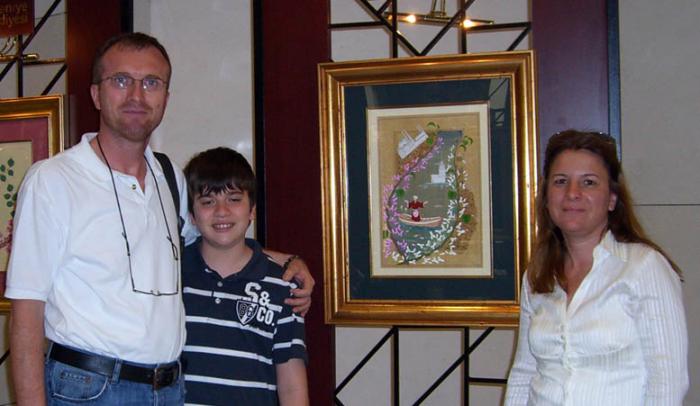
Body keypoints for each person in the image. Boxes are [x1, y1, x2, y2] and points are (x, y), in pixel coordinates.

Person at [5, 32, 313, 405]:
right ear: (96, 94)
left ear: (166, 98)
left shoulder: (169, 178)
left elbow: (211, 239)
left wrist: (288, 261)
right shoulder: (53, 180)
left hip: (168, 390)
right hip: (89, 389)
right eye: (121, 80)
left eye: (151, 83)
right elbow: (26, 315)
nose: (137, 95)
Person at [504, 130, 688, 405]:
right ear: (546, 196)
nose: (572, 193)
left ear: (612, 198)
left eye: (588, 182)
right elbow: (524, 372)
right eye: (560, 181)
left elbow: (667, 384)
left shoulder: (644, 267)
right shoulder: (537, 275)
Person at [181, 147, 308, 405]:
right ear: (192, 216)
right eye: (207, 202)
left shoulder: (282, 285)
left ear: (252, 210)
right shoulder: (171, 275)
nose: (221, 211)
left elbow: (292, 387)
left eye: (234, 199)